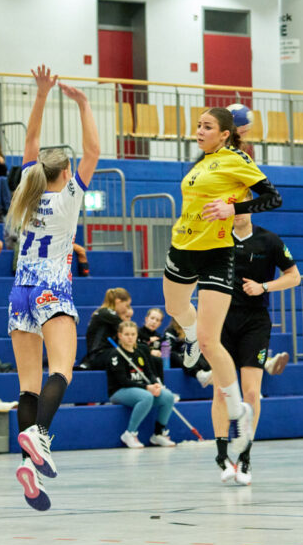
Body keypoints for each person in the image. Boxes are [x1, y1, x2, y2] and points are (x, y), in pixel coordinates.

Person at [162, 106, 282, 464]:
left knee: (212, 341)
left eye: (207, 126)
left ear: (225, 133)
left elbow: (273, 198)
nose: (199, 130)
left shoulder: (235, 159)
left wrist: (233, 209)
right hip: (183, 247)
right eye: (198, 125)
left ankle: (237, 411)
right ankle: (192, 333)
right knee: (175, 310)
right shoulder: (202, 161)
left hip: (217, 252)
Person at [9, 65, 100, 511]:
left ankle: (28, 464)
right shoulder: (68, 198)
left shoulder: (27, 191)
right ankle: (39, 437)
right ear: (65, 174)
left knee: (28, 386)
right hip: (51, 289)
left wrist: (41, 96)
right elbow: (94, 150)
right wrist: (82, 103)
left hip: (19, 292)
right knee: (62, 368)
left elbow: (29, 144)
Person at [211, 211, 299, 486]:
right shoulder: (216, 238)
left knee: (251, 391)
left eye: (242, 207)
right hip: (221, 319)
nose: (237, 213)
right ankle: (222, 456)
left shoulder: (269, 241)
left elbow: (294, 276)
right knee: (221, 390)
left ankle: (245, 456)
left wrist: (264, 286)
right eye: (232, 207)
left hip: (255, 323)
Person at [107, 321, 177, 449]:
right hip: (120, 391)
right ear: (120, 335)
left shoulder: (140, 351)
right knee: (146, 397)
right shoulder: (115, 354)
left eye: (133, 334)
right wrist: (147, 388)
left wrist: (155, 384)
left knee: (167, 396)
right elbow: (122, 380)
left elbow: (149, 372)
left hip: (141, 390)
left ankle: (159, 433)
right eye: (126, 334)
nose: (130, 337)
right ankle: (130, 433)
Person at [79, 288, 131, 370]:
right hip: (98, 355)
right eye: (126, 305)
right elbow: (129, 330)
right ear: (118, 301)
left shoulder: (104, 312)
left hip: (101, 354)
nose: (126, 309)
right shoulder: (107, 313)